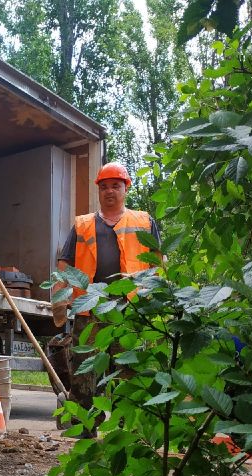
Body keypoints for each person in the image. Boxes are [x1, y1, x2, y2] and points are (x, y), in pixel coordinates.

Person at [49, 162, 161, 431]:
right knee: (84, 374)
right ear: (98, 190)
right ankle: (83, 428)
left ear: (126, 189)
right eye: (104, 186)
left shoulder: (144, 222)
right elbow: (65, 264)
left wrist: (151, 295)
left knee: (128, 374)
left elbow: (157, 265)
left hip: (129, 309)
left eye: (116, 186)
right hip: (90, 311)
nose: (110, 191)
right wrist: (60, 301)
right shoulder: (83, 225)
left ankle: (127, 430)